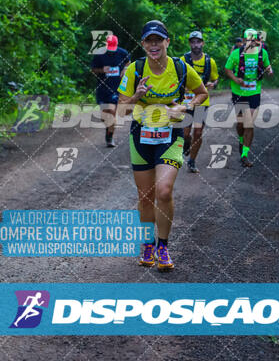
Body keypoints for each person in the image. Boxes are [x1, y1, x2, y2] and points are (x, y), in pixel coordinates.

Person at [117, 20, 207, 270]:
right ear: (143, 44)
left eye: (159, 40)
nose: (153, 44)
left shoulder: (180, 68)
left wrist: (183, 106)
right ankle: (148, 244)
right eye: (149, 40)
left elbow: (202, 93)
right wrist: (137, 95)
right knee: (145, 196)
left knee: (164, 191)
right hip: (141, 135)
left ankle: (163, 247)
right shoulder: (134, 70)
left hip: (172, 134)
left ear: (167, 42)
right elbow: (121, 110)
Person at [224, 28, 273, 167]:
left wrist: (270, 70)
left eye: (254, 39)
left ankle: (245, 155)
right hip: (238, 92)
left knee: (249, 123)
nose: (252, 42)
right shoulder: (236, 54)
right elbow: (227, 69)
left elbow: (267, 64)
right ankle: (241, 140)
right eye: (249, 40)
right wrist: (235, 79)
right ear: (244, 40)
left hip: (254, 92)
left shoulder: (262, 53)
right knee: (240, 124)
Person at [181, 31, 219, 173]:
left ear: (202, 43)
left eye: (198, 42)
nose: (195, 44)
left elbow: (215, 78)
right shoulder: (183, 60)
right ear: (190, 44)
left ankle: (192, 161)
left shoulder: (210, 61)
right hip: (186, 101)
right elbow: (175, 77)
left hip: (201, 101)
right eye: (193, 42)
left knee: (198, 132)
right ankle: (187, 143)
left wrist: (213, 84)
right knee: (185, 133)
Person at [91, 34, 130, 147]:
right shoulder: (99, 55)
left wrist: (125, 69)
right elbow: (93, 69)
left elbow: (128, 62)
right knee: (105, 116)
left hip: (117, 89)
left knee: (112, 113)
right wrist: (102, 70)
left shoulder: (122, 53)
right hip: (102, 89)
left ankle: (110, 137)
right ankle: (108, 129)